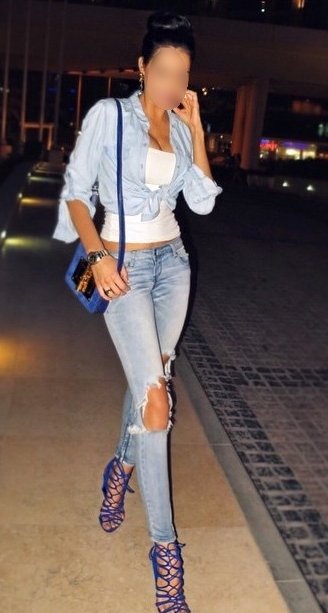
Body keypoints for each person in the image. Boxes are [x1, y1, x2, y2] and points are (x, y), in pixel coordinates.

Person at [52, 10, 223, 612]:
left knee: (152, 378)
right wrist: (97, 255)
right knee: (156, 404)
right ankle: (165, 550)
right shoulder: (110, 116)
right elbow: (76, 193)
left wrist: (195, 130)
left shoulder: (180, 126)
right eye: (164, 70)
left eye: (184, 75)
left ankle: (120, 470)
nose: (173, 83)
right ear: (142, 67)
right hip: (121, 271)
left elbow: (201, 203)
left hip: (174, 266)